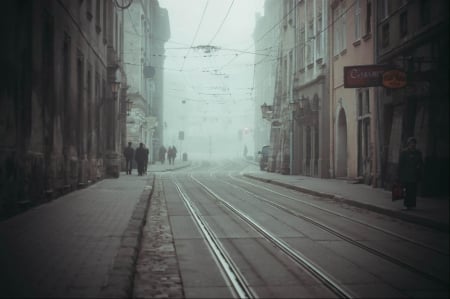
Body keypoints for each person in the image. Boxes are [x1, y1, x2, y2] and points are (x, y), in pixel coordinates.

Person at [398, 137, 423, 210]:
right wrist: (399, 175)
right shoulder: (404, 152)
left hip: (414, 175)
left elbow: (421, 163)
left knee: (413, 190)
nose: (412, 145)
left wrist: (419, 169)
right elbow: (400, 164)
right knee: (407, 190)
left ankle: (412, 205)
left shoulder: (418, 153)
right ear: (408, 144)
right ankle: (406, 204)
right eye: (411, 143)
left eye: (414, 143)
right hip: (406, 175)